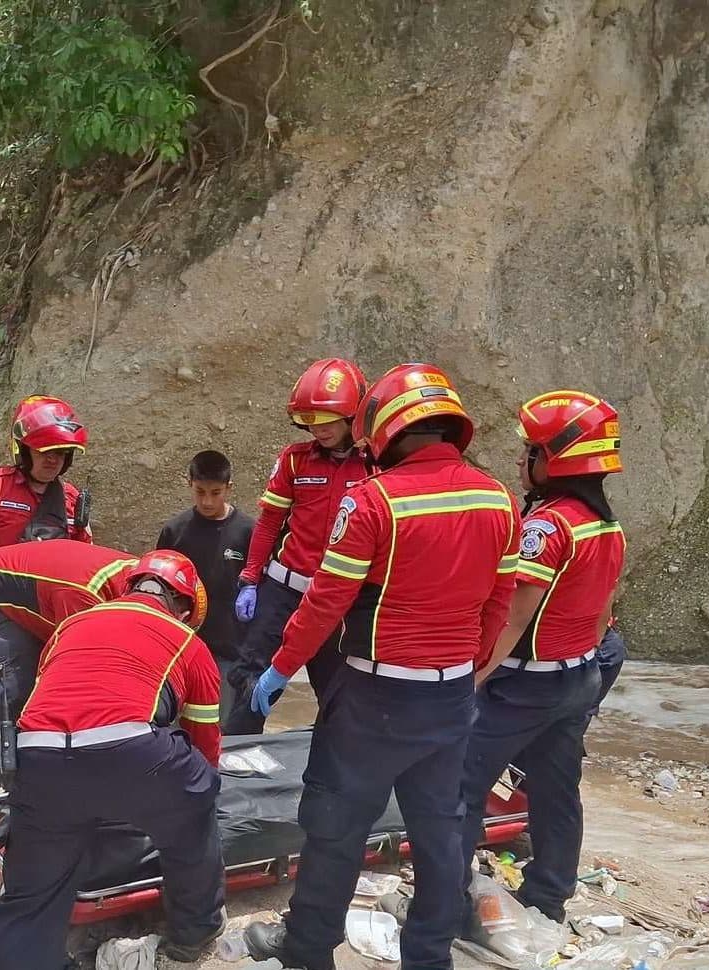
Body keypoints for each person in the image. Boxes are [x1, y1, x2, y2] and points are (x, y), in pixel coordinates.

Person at [243, 363, 520, 970]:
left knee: (336, 826)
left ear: (385, 428)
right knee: (441, 833)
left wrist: (281, 667)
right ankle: (429, 957)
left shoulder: (374, 501)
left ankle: (309, 950)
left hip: (373, 699)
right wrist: (468, 667)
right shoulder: (498, 497)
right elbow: (498, 603)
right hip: (450, 702)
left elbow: (326, 601)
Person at [0, 550, 224, 970]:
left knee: (30, 894)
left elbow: (55, 701)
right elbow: (204, 742)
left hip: (36, 756)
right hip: (129, 750)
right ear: (183, 605)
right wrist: (188, 796)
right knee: (196, 800)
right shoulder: (187, 641)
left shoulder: (70, 625)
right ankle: (193, 930)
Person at [456, 390, 626, 928]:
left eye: (530, 450)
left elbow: (513, 618)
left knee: (459, 787)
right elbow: (601, 620)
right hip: (578, 677)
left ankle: (449, 901)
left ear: (556, 460)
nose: (521, 460)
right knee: (556, 789)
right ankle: (549, 895)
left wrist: (473, 678)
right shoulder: (607, 528)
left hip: (524, 687)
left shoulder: (547, 528)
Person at [224, 358, 373, 735]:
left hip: (341, 599)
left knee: (339, 693)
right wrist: (249, 578)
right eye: (310, 421)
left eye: (326, 420)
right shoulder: (294, 460)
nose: (317, 429)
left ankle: (331, 776)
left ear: (353, 416)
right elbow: (270, 522)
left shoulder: (376, 468)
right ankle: (234, 767)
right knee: (250, 683)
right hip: (283, 591)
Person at [0, 538, 138, 804]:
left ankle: (30, 770)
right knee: (3, 688)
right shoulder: (85, 596)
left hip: (42, 599)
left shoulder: (139, 581)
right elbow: (76, 677)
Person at [0, 395, 92, 595]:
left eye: (60, 452)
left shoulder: (72, 499)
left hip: (48, 608)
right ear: (24, 450)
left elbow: (84, 563)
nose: (52, 460)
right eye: (44, 451)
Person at [155, 449, 254, 705]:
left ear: (228, 488)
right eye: (200, 492)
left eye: (215, 493)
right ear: (189, 484)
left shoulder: (248, 532)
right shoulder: (174, 532)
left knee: (222, 729)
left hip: (231, 650)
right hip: (183, 646)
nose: (207, 501)